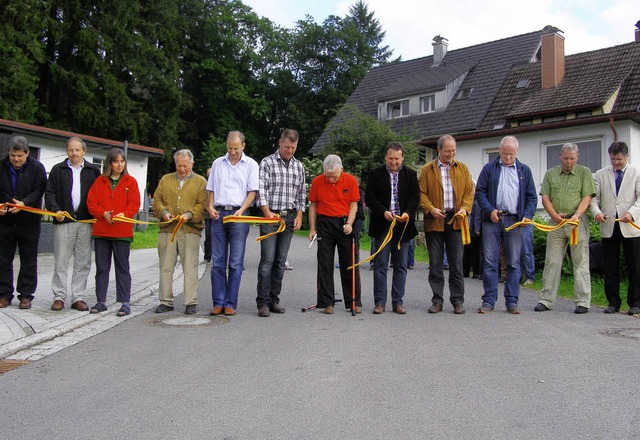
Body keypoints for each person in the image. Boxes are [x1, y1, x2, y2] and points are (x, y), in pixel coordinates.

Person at [475, 136, 537, 314]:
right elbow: (480, 192)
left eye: (511, 154)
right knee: (489, 261)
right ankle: (488, 301)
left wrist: (527, 215)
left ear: (516, 152)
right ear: (499, 150)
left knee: (514, 262)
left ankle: (512, 302)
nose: (508, 157)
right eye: (505, 153)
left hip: (515, 221)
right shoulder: (489, 169)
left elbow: (532, 197)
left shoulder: (524, 171)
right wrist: (489, 210)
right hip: (493, 220)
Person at [535, 143, 595, 314]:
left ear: (577, 158)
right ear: (560, 157)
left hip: (577, 222)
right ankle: (546, 300)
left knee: (581, 262)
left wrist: (577, 214)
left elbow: (587, 197)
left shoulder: (584, 172)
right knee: (552, 261)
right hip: (556, 222)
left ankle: (583, 301)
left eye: (572, 158)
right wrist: (553, 215)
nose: (569, 162)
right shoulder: (550, 173)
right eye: (566, 158)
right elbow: (545, 197)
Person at [419, 134, 474, 314]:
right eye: (448, 150)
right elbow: (422, 194)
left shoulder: (462, 168)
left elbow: (469, 193)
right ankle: (437, 300)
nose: (451, 154)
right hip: (435, 220)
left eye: (453, 150)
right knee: (435, 263)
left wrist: (464, 209)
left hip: (456, 220)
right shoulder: (427, 170)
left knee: (456, 263)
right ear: (439, 150)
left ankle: (458, 301)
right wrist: (431, 209)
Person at [45, 137, 100, 312]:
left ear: (84, 151)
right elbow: (50, 193)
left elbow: (99, 195)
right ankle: (59, 296)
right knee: (61, 260)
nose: (74, 153)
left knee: (83, 261)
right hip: (64, 221)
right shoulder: (58, 170)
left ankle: (78, 297)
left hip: (85, 221)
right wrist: (56, 210)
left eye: (77, 150)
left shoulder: (93, 171)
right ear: (67, 151)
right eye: (71, 150)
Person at [207, 131, 259, 316]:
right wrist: (210, 207)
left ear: (243, 146)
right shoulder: (217, 163)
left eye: (236, 148)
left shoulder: (251, 165)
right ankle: (218, 301)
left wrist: (242, 209)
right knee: (218, 262)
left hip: (239, 214)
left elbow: (252, 191)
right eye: (229, 148)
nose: (232, 152)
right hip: (219, 214)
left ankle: (230, 302)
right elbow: (211, 189)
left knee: (235, 262)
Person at [256, 129, 306, 317]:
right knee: (267, 260)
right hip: (271, 216)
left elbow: (302, 194)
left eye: (293, 148)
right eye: (287, 147)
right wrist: (267, 212)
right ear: (280, 143)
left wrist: (300, 215)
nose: (290, 151)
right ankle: (262, 303)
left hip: (289, 217)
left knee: (280, 261)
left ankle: (273, 300)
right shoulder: (267, 163)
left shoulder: (299, 166)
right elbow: (261, 190)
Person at [366, 142, 419, 314]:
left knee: (401, 265)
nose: (394, 162)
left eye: (397, 158)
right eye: (390, 158)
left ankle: (398, 302)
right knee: (381, 265)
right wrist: (383, 212)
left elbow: (415, 197)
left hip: (403, 226)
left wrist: (408, 213)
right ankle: (380, 302)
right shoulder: (375, 174)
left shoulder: (411, 174)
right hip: (383, 225)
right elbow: (370, 197)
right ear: (385, 157)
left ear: (402, 157)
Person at [86, 148, 140, 317]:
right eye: (116, 161)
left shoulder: (130, 181)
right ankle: (101, 301)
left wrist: (124, 214)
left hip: (121, 231)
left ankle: (124, 302)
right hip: (102, 230)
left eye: (122, 161)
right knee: (102, 268)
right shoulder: (100, 181)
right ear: (110, 163)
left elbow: (134, 203)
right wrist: (103, 213)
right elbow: (91, 203)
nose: (119, 164)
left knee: (122, 268)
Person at [153, 149, 207, 315]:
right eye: (179, 165)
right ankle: (165, 301)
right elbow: (157, 200)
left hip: (189, 230)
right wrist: (163, 213)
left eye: (185, 165)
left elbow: (202, 204)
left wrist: (189, 215)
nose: (182, 169)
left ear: (192, 164)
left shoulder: (200, 182)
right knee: (166, 266)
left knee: (190, 266)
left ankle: (190, 301)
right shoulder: (165, 179)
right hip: (168, 229)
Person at [590, 141, 640, 315]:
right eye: (613, 159)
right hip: (609, 224)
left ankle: (635, 302)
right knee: (610, 266)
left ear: (626, 156)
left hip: (631, 226)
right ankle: (613, 302)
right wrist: (596, 212)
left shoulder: (637, 173)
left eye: (619, 159)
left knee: (635, 265)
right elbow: (593, 199)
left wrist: (632, 213)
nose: (616, 163)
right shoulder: (600, 174)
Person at [308, 155, 362, 314]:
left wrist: (349, 224)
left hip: (344, 222)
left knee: (350, 263)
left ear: (342, 170)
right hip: (325, 224)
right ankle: (326, 302)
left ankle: (353, 301)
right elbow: (313, 206)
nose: (331, 179)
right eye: (328, 176)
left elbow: (353, 205)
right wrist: (312, 228)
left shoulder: (351, 181)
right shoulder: (317, 181)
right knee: (324, 263)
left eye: (335, 176)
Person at [0, 136, 47, 309]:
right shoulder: (1, 166)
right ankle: (4, 294)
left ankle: (26, 295)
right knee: (3, 259)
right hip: (5, 221)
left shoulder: (37, 168)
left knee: (29, 259)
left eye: (20, 155)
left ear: (27, 153)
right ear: (9, 153)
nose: (16, 159)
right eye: (13, 155)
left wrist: (24, 203)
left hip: (29, 222)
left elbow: (40, 189)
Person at [203, 168, 212, 263]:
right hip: (207, 215)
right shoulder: (204, 187)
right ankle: (207, 257)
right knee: (208, 235)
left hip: (218, 214)